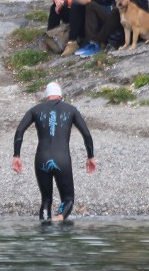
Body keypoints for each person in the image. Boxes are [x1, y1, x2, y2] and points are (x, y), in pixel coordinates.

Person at [12, 81, 96, 222]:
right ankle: (59, 220)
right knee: (68, 198)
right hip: (62, 159)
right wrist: (91, 156)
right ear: (60, 96)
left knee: (46, 200)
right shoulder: (71, 110)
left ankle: (45, 232)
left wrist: (16, 156)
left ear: (46, 96)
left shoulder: (35, 110)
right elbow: (86, 134)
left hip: (41, 159)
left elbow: (20, 130)